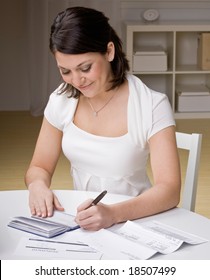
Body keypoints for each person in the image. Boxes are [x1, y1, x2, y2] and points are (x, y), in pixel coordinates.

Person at [25, 6, 181, 231]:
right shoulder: (61, 100)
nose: (77, 80)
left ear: (109, 51)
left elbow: (169, 190)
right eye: (65, 71)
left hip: (139, 220)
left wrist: (113, 214)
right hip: (86, 220)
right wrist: (37, 185)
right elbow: (39, 166)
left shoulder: (151, 104)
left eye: (85, 68)